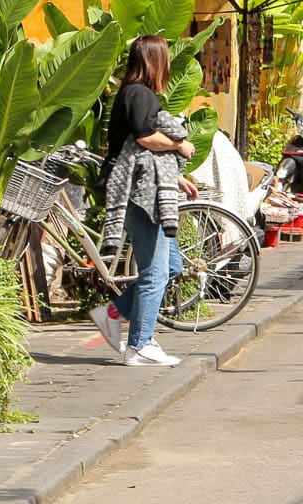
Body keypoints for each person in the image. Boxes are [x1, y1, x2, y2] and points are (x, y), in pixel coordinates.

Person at [92, 36, 200, 367]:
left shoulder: (139, 94)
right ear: (155, 61)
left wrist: (176, 177)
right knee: (155, 271)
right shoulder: (138, 93)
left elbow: (139, 149)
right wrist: (178, 145)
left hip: (147, 186)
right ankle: (140, 344)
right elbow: (144, 137)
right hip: (138, 195)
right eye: (165, 59)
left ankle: (114, 313)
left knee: (170, 266)